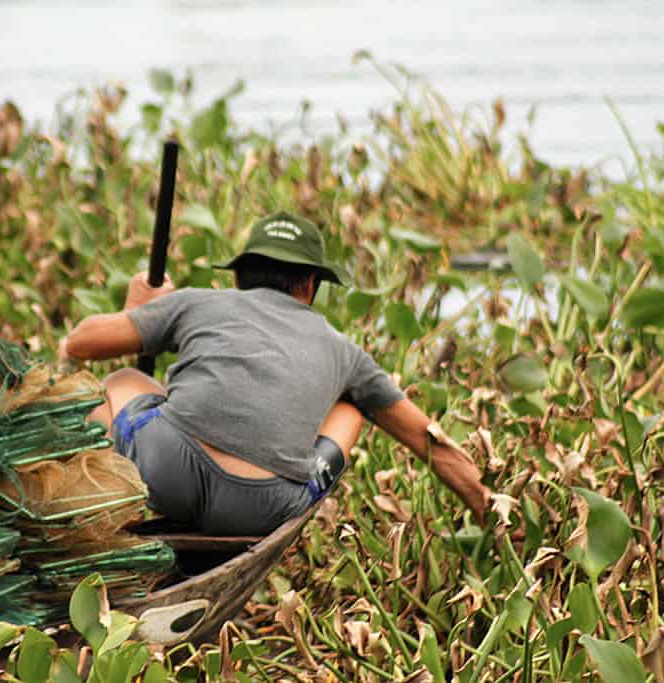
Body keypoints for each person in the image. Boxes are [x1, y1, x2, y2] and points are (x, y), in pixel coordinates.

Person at [61, 211, 490, 536]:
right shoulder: (345, 350)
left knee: (120, 384)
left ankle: (110, 523)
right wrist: (486, 507)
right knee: (351, 410)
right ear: (309, 284)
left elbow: (80, 343)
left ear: (241, 276)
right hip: (265, 504)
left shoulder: (198, 302)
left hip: (169, 472)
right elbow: (426, 438)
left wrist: (137, 310)